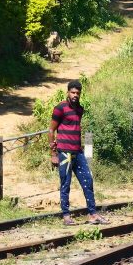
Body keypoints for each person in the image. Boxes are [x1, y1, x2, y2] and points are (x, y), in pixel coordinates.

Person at [49, 80, 109, 226]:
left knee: (88, 181)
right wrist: (53, 153)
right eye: (73, 92)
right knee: (66, 183)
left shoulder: (80, 109)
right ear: (68, 92)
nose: (75, 95)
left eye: (78, 93)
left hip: (78, 152)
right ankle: (66, 216)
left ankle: (93, 214)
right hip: (65, 153)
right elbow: (51, 130)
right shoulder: (60, 108)